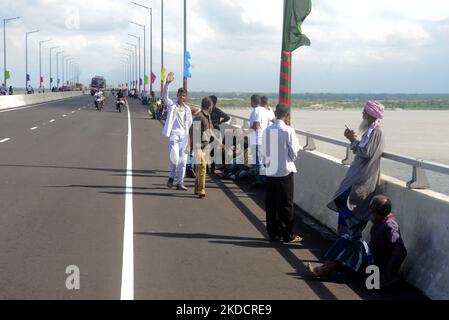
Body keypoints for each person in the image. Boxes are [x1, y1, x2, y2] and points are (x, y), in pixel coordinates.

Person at [308, 195, 407, 288]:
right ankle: (327, 266)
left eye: (372, 212)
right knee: (346, 239)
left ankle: (325, 270)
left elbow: (400, 250)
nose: (371, 215)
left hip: (376, 267)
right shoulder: (379, 222)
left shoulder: (390, 225)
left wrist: (388, 272)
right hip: (370, 261)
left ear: (378, 213)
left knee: (359, 245)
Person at [327, 101, 386, 241]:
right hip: (357, 175)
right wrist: (353, 140)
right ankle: (344, 239)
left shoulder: (376, 132)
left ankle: (351, 236)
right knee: (342, 201)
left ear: (370, 114)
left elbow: (366, 152)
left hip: (363, 177)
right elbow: (363, 149)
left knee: (346, 203)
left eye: (364, 112)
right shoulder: (370, 131)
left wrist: (352, 140)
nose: (362, 115)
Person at [263, 104, 302, 243]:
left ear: (275, 113)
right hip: (285, 171)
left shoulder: (267, 130)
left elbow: (265, 151)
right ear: (287, 115)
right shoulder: (288, 130)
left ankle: (273, 233)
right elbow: (294, 153)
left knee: (271, 203)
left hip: (271, 169)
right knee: (286, 204)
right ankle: (287, 234)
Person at [162, 72, 193, 191]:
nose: (182, 97)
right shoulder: (172, 106)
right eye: (180, 95)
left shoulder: (187, 109)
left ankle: (180, 183)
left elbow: (189, 126)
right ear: (177, 96)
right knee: (174, 159)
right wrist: (167, 84)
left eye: (184, 95)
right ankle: (171, 177)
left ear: (186, 97)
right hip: (174, 136)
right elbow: (165, 97)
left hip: (184, 137)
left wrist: (189, 142)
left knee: (183, 162)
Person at [189, 96, 219, 198]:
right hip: (199, 146)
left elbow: (211, 130)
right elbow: (193, 131)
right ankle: (201, 190)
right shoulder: (200, 116)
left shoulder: (207, 116)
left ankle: (197, 189)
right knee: (202, 168)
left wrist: (219, 142)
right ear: (209, 106)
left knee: (199, 169)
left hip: (205, 145)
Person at [249, 94, 273, 186]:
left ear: (253, 102)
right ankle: (264, 180)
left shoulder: (256, 110)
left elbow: (256, 125)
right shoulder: (265, 110)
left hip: (257, 140)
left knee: (258, 162)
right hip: (264, 139)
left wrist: (248, 131)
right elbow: (273, 120)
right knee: (263, 161)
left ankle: (261, 181)